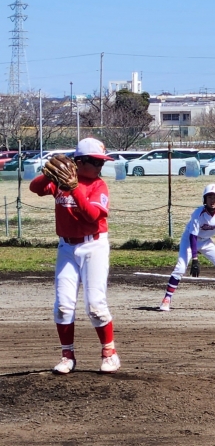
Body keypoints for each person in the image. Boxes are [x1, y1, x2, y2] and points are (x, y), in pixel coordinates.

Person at [29, 138, 120, 374]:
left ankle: (109, 353)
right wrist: (48, 175)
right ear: (79, 162)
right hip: (66, 247)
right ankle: (67, 356)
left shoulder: (98, 185)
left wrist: (74, 188)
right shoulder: (60, 182)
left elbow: (92, 216)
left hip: (94, 246)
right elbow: (35, 188)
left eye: (102, 162)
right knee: (62, 305)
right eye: (96, 162)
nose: (100, 166)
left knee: (95, 305)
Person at [159, 183, 215, 311]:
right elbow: (193, 236)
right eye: (209, 197)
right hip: (189, 240)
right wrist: (195, 259)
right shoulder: (198, 213)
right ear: (204, 199)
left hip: (206, 241)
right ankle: (166, 300)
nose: (212, 200)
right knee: (180, 268)